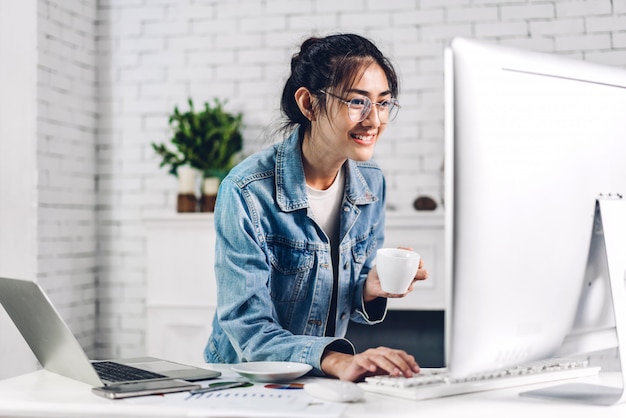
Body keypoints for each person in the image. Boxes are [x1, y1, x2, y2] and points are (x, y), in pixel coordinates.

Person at [204, 33, 428, 382]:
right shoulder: (247, 191)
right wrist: (337, 361)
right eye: (357, 101)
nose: (375, 120)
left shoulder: (371, 184)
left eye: (383, 103)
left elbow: (341, 298)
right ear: (308, 104)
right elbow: (247, 328)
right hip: (243, 379)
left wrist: (369, 288)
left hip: (312, 381)